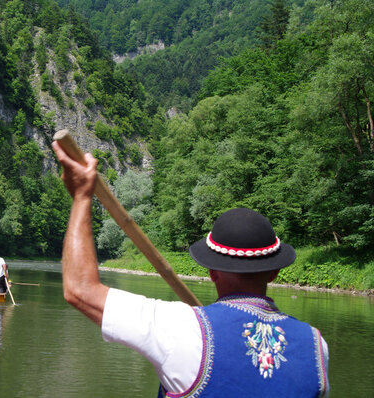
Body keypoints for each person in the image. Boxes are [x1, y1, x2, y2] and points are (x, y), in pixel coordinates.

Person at [52, 141, 330, 397]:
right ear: (274, 272)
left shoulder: (180, 328)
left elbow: (80, 290)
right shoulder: (317, 346)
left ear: (211, 271)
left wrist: (81, 197)